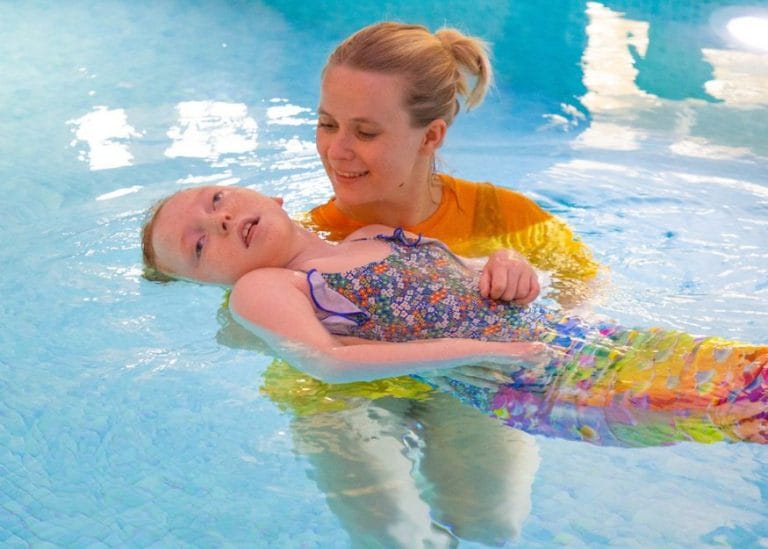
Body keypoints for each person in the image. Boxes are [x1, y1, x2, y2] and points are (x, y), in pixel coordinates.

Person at [142, 185, 767, 445]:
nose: (220, 220)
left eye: (216, 200)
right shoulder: (267, 287)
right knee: (740, 407)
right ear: (213, 281)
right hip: (529, 383)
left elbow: (496, 281)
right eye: (200, 245)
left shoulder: (377, 231)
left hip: (574, 337)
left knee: (746, 370)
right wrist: (481, 354)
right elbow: (328, 361)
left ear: (266, 195)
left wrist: (514, 270)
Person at [301, 21, 599, 305]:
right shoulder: (309, 241)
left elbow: (588, 289)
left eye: (365, 133)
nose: (336, 151)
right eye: (327, 125)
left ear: (430, 136)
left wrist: (526, 281)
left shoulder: (502, 219)